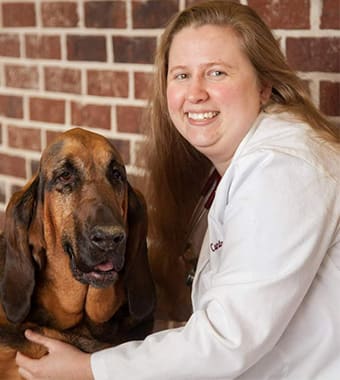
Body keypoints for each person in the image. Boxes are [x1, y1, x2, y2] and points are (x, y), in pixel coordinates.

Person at [16, 1, 340, 379]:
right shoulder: (233, 167)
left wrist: (88, 368)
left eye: (217, 73)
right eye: (181, 75)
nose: (196, 93)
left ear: (264, 85)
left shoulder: (283, 170)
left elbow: (225, 340)